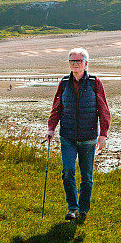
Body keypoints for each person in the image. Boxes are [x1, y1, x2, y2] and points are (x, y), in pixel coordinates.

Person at [46, 47, 110, 224]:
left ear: (86, 63)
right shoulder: (64, 82)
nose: (75, 64)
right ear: (69, 63)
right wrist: (51, 128)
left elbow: (103, 109)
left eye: (79, 61)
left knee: (87, 177)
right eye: (72, 61)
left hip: (89, 137)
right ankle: (72, 208)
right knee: (67, 171)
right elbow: (57, 108)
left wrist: (103, 134)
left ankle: (83, 210)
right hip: (67, 136)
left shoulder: (94, 83)